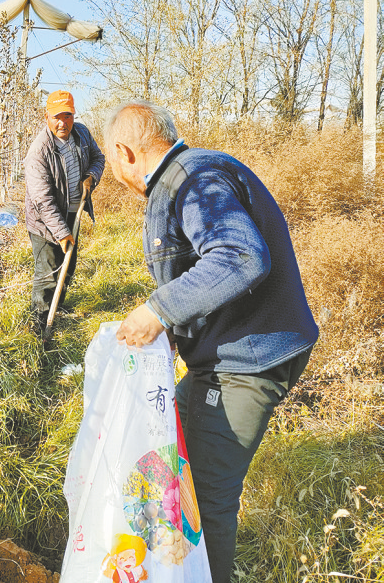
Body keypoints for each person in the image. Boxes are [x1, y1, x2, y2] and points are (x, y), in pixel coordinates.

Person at [103, 100, 318, 582]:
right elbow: (209, 272)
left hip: (246, 361)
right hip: (229, 352)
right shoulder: (186, 176)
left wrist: (159, 310)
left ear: (124, 152)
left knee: (201, 495)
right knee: (167, 461)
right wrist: (178, 327)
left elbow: (240, 257)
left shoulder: (193, 181)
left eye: (112, 163)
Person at [24, 90, 105, 333]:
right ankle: (40, 325)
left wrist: (91, 176)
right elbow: (43, 200)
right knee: (48, 272)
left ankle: (56, 307)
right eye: (57, 117)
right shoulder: (39, 152)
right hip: (45, 222)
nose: (63, 123)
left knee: (68, 266)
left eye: (67, 116)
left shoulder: (82, 134)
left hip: (73, 214)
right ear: (47, 117)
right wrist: (61, 232)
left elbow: (98, 158)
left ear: (74, 115)